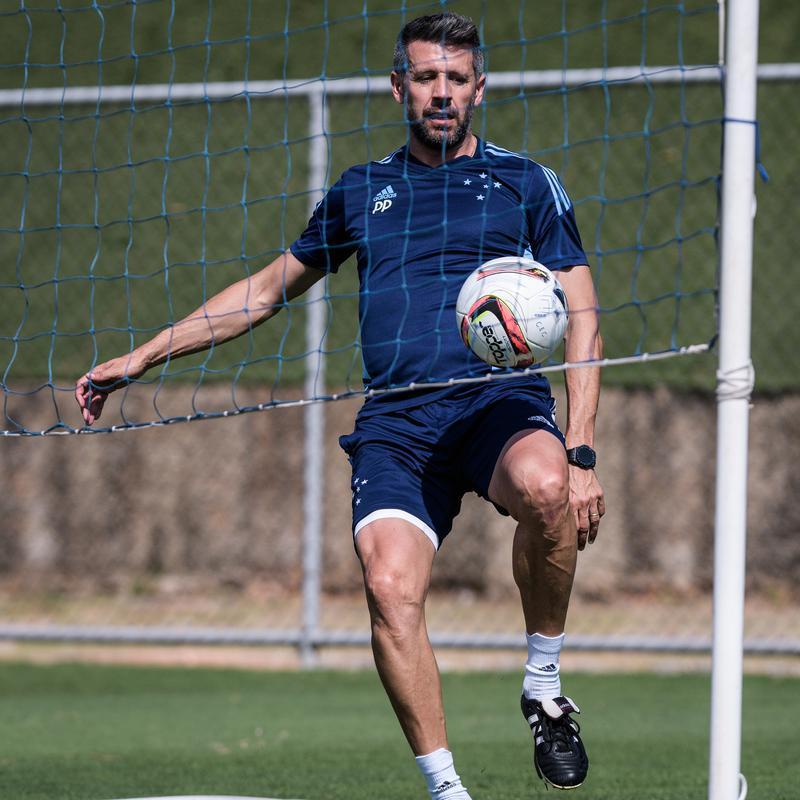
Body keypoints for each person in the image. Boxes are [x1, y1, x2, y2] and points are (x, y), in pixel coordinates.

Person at [75, 12, 604, 798]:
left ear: (479, 90)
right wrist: (145, 355)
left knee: (548, 487)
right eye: (426, 77)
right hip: (397, 422)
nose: (441, 92)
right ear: (400, 87)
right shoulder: (364, 189)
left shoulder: (527, 183)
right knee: (390, 587)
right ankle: (447, 790)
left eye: (457, 78)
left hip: (498, 402)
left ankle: (543, 684)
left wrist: (583, 447)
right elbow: (263, 292)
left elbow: (584, 312)